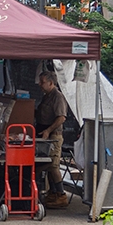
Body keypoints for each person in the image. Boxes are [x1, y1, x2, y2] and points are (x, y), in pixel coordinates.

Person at [36, 70, 69, 209]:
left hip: (53, 135)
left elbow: (61, 117)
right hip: (44, 133)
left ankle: (61, 194)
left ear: (51, 83)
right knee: (47, 165)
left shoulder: (57, 97)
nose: (40, 85)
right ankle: (53, 192)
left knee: (53, 165)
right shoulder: (46, 96)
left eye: (42, 82)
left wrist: (49, 130)